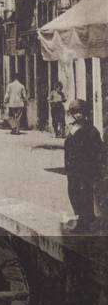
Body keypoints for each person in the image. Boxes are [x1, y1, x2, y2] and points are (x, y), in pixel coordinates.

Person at [63, 99, 104, 232]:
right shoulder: (72, 129)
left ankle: (85, 221)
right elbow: (68, 150)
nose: (78, 115)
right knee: (73, 192)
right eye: (75, 112)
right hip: (73, 169)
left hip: (86, 169)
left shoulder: (91, 130)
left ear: (85, 113)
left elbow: (99, 150)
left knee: (85, 193)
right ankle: (82, 217)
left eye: (80, 112)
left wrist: (97, 168)